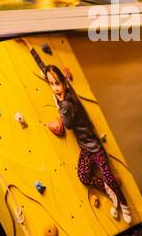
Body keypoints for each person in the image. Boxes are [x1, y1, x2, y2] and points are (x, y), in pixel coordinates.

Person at [29, 45, 132, 224]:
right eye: (52, 84)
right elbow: (45, 69)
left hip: (95, 148)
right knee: (84, 176)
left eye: (58, 84)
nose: (55, 88)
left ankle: (124, 204)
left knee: (108, 175)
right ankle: (106, 187)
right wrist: (31, 50)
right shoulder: (63, 95)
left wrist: (59, 105)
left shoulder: (68, 103)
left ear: (65, 83)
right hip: (84, 149)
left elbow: (67, 126)